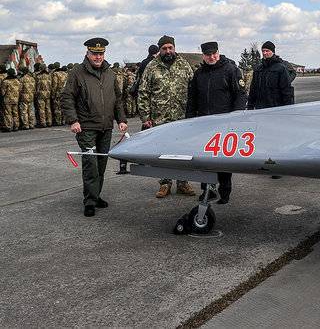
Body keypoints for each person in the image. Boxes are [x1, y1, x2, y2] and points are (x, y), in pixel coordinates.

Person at [61, 38, 128, 217]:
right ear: (87, 53)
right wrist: (73, 120)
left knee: (101, 163)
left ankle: (96, 195)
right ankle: (90, 201)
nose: (98, 57)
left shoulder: (110, 73)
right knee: (91, 164)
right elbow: (67, 97)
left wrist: (121, 119)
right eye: (94, 54)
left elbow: (117, 99)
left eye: (101, 53)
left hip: (106, 127)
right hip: (86, 127)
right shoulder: (77, 73)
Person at [186, 41, 247, 203]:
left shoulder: (231, 70)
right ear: (203, 56)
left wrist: (236, 116)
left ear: (218, 53)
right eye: (208, 55)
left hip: (224, 124)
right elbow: (192, 99)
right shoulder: (199, 74)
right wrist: (189, 120)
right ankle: (208, 190)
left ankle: (224, 191)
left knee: (223, 160)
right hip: (204, 124)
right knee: (205, 160)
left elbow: (240, 95)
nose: (212, 57)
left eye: (214, 54)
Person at [138, 35, 196, 198]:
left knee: (183, 152)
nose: (168, 51)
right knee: (163, 152)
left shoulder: (184, 65)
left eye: (170, 48)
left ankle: (183, 183)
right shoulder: (151, 67)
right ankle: (165, 183)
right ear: (160, 50)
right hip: (160, 119)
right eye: (164, 48)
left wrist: (194, 115)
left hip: (182, 118)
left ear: (174, 48)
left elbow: (193, 90)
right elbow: (143, 92)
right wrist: (145, 117)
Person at [247, 41, 294, 109]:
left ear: (273, 52)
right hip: (260, 108)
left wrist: (289, 108)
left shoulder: (280, 68)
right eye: (263, 51)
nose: (264, 53)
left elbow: (287, 90)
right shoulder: (258, 69)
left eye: (267, 51)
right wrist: (250, 106)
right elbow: (253, 90)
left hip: (276, 108)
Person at [35, 63, 53, 127]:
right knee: (48, 108)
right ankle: (49, 122)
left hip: (40, 94)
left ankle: (43, 122)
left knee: (41, 109)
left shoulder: (38, 76)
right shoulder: (49, 75)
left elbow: (36, 85)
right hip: (48, 93)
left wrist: (36, 93)